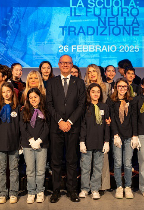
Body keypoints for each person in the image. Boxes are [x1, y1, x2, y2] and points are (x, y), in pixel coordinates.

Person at [46, 55, 86, 203]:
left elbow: (81, 105)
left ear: (72, 65)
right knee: (55, 161)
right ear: (58, 64)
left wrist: (69, 121)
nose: (65, 65)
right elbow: (49, 104)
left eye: (68, 63)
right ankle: (55, 191)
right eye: (63, 63)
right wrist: (60, 121)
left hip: (73, 127)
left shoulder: (79, 83)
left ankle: (71, 190)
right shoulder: (51, 82)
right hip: (56, 128)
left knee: (71, 160)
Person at [79, 83, 110, 200]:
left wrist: (107, 141)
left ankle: (95, 189)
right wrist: (82, 141)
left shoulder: (104, 107)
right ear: (89, 93)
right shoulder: (85, 108)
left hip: (100, 142)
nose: (96, 94)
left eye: (98, 91)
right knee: (85, 167)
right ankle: (84, 189)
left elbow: (107, 125)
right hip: (87, 142)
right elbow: (82, 126)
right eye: (93, 91)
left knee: (98, 167)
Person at [84, 64, 111, 192]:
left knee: (100, 162)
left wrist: (108, 118)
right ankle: (85, 188)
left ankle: (99, 187)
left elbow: (108, 104)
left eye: (94, 71)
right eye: (89, 72)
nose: (92, 74)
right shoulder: (82, 87)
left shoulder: (105, 86)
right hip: (88, 125)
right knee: (86, 163)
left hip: (101, 124)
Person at [20, 88, 49, 204]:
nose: (33, 99)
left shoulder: (45, 111)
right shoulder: (24, 110)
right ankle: (31, 192)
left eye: (35, 97)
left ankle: (40, 191)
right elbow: (22, 127)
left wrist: (40, 140)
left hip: (42, 144)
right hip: (28, 145)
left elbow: (47, 127)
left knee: (41, 170)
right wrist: (31, 140)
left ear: (40, 98)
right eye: (31, 97)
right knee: (30, 170)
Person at [107, 78, 135, 199]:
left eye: (124, 86)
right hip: (117, 136)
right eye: (120, 86)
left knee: (128, 164)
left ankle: (128, 186)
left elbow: (134, 119)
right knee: (118, 163)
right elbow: (111, 119)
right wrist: (115, 134)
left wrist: (135, 135)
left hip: (129, 136)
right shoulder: (111, 101)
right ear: (116, 87)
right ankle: (119, 186)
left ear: (127, 88)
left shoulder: (131, 101)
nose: (122, 89)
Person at [0, 82, 21, 204]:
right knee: (1, 169)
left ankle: (13, 193)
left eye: (8, 91)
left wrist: (20, 143)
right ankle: (2, 193)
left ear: (13, 92)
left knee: (14, 169)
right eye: (3, 91)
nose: (6, 94)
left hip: (14, 143)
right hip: (1, 144)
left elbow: (20, 127)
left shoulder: (17, 108)